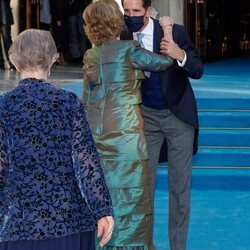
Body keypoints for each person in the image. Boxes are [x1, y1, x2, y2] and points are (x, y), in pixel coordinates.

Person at [0, 29, 114, 250]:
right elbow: (86, 163)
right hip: (68, 223)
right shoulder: (68, 103)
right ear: (52, 62)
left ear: (15, 62)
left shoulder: (3, 106)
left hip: (17, 224)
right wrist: (102, 210)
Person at [82, 0, 172, 248]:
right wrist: (166, 32)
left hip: (98, 137)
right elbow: (163, 63)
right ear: (116, 22)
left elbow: (86, 101)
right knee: (132, 199)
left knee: (104, 196)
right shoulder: (129, 50)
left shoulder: (90, 55)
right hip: (127, 138)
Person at [121, 0, 204, 249]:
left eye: (136, 11)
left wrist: (179, 54)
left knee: (180, 188)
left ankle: (177, 246)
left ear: (148, 11)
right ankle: (145, 244)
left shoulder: (174, 31)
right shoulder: (122, 35)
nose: (131, 16)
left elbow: (198, 69)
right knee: (144, 187)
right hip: (146, 116)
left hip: (179, 115)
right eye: (127, 11)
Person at [0, 0, 14, 69]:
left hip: (4, 16)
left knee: (7, 40)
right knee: (7, 40)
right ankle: (11, 61)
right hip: (5, 15)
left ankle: (12, 61)